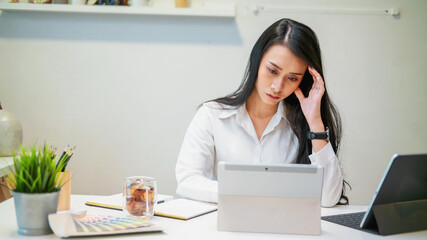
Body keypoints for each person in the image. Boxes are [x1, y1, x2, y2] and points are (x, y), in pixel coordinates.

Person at [175, 18, 348, 207]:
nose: (277, 87)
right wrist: (246, 192)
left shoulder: (303, 124)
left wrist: (315, 122)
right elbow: (187, 181)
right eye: (273, 70)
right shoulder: (212, 115)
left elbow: (329, 198)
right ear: (257, 60)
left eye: (292, 78)